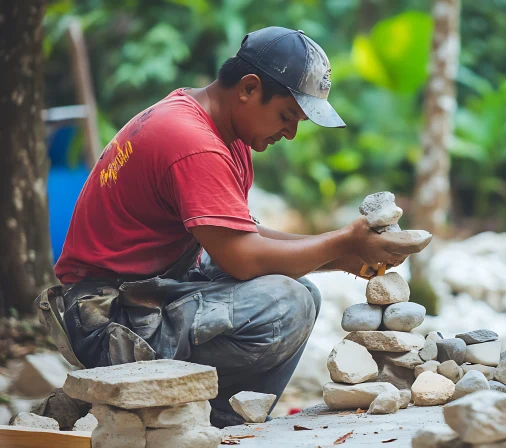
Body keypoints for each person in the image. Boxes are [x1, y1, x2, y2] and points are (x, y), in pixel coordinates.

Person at [44, 27, 416, 427]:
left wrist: (345, 256)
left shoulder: (221, 133)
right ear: (249, 88)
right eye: (287, 115)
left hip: (145, 293)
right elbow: (242, 259)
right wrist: (343, 239)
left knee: (302, 291)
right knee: (285, 304)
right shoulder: (192, 141)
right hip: (106, 320)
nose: (290, 133)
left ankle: (221, 417)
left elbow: (244, 237)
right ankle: (209, 422)